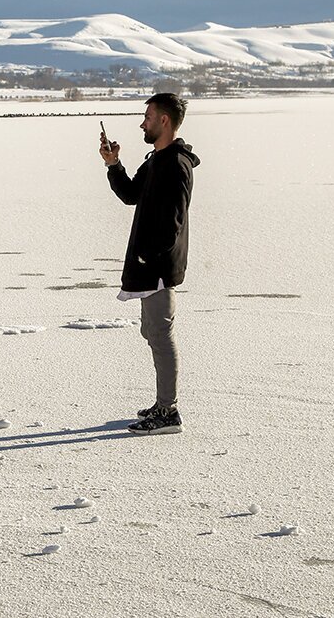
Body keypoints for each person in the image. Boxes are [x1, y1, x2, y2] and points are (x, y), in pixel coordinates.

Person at [100, 94, 200, 436]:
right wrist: (114, 164)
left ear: (165, 121)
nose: (142, 123)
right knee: (153, 332)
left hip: (157, 267)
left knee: (160, 333)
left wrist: (150, 255)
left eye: (148, 117)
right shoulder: (158, 159)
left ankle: (168, 411)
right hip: (151, 264)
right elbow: (131, 194)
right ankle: (163, 403)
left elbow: (172, 222)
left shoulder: (174, 165)